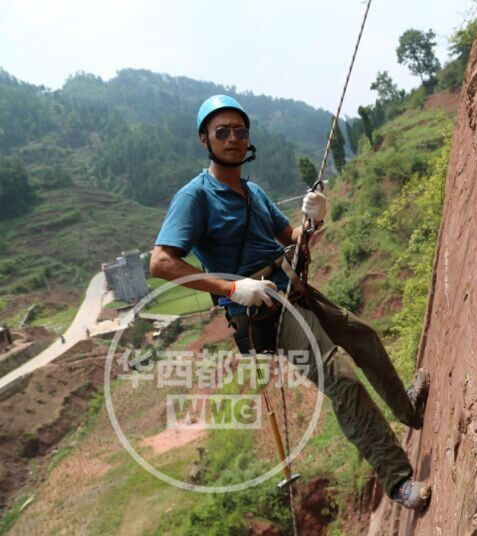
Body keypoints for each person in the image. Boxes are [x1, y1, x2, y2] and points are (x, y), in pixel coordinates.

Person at [149, 95, 431, 510]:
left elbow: (293, 239)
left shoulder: (254, 192)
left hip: (293, 287)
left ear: (248, 141)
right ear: (204, 140)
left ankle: (407, 410)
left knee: (363, 336)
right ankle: (398, 480)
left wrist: (313, 218)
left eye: (239, 131)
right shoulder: (195, 198)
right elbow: (161, 263)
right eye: (221, 131)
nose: (232, 138)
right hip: (264, 310)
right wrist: (231, 289)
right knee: (342, 379)